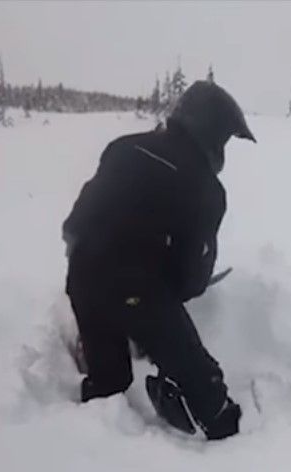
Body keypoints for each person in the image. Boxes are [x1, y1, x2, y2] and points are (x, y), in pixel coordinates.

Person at [62, 81, 256, 440]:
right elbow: (192, 275)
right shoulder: (206, 188)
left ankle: (88, 449)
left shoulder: (123, 147)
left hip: (81, 277)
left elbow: (75, 224)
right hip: (135, 287)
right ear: (212, 132)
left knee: (108, 387)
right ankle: (236, 444)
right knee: (211, 399)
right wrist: (161, 300)